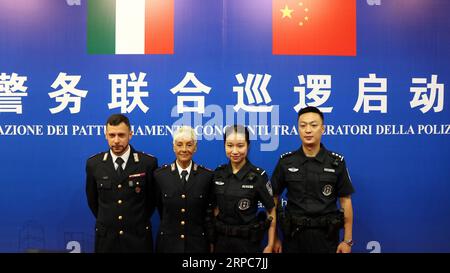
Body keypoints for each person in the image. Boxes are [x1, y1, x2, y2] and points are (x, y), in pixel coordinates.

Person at [271, 106, 355, 253]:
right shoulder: (286, 162)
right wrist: (275, 238)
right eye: (303, 126)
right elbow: (273, 199)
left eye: (313, 125)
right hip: (293, 237)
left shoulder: (336, 163)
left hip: (326, 238)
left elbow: (345, 201)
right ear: (298, 129)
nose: (308, 130)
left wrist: (347, 241)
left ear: (322, 129)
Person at [85, 114, 158, 253]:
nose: (116, 140)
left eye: (121, 135)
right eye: (112, 135)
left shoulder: (147, 163)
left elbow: (152, 201)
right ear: (105, 135)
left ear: (130, 134)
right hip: (107, 239)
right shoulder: (94, 164)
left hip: (137, 238)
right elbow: (93, 201)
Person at [212, 125, 276, 253]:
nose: (235, 151)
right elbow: (215, 209)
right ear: (224, 145)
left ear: (248, 145)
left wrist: (270, 244)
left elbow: (271, 210)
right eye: (230, 145)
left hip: (247, 244)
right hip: (221, 242)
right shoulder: (218, 174)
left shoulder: (258, 176)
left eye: (240, 145)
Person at [153, 126, 214, 253]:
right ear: (173, 147)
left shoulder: (206, 176)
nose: (184, 149)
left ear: (195, 147)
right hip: (168, 244)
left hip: (197, 245)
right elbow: (159, 207)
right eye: (179, 145)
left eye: (189, 145)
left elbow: (208, 212)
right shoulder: (160, 175)